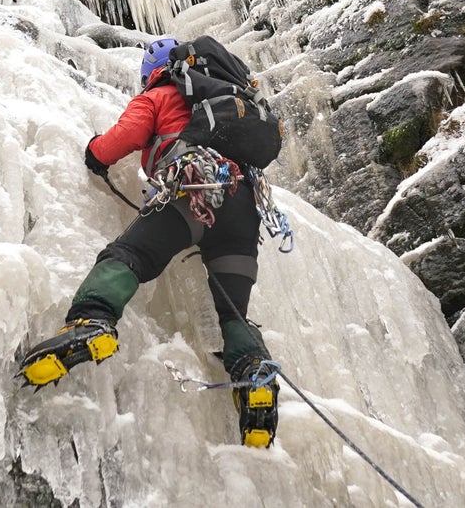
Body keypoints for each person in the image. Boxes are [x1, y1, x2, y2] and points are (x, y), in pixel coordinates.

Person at [19, 37, 280, 447]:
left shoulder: (160, 95)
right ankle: (255, 377)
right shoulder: (225, 100)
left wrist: (94, 155)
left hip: (192, 189)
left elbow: (124, 137)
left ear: (152, 71)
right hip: (244, 208)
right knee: (232, 314)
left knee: (128, 254)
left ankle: (93, 321)